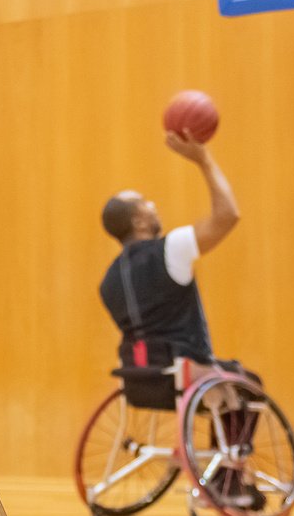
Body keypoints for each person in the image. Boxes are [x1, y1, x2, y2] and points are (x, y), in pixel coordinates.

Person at [97, 132, 240, 370]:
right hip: (188, 371)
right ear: (139, 222)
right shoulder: (170, 249)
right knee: (249, 383)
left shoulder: (107, 282)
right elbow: (228, 215)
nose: (153, 205)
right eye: (145, 203)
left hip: (142, 377)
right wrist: (203, 159)